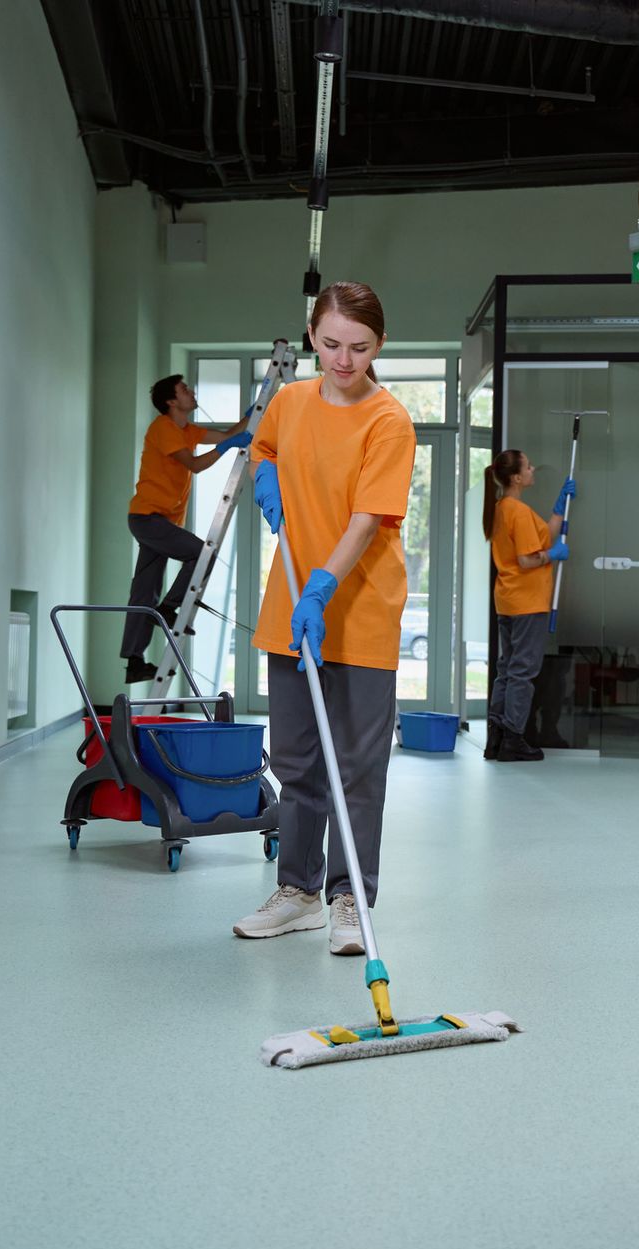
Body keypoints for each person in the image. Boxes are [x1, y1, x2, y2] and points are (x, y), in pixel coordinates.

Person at [232, 283, 415, 954]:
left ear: (380, 345)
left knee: (358, 765)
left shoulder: (389, 420)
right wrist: (264, 474)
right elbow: (265, 448)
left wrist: (322, 586)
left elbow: (368, 519)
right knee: (296, 759)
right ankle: (299, 893)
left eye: (360, 348)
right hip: (292, 607)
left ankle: (349, 898)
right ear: (313, 335)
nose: (344, 360)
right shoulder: (289, 400)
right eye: (332, 343)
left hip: (358, 607)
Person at [120, 375, 253, 683]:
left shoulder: (187, 430)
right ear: (171, 401)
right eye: (184, 390)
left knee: (143, 590)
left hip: (159, 521)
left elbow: (228, 434)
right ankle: (169, 606)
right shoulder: (163, 428)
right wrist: (229, 445)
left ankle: (134, 662)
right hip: (147, 518)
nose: (192, 393)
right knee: (201, 552)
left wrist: (250, 415)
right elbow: (193, 465)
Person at [482, 450, 574, 763]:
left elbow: (541, 538)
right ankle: (514, 739)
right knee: (522, 671)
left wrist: (558, 510)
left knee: (507, 669)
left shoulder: (502, 509)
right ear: (517, 478)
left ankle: (496, 738)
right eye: (529, 466)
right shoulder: (516, 511)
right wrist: (553, 556)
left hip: (508, 600)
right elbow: (527, 558)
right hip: (527, 602)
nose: (533, 469)